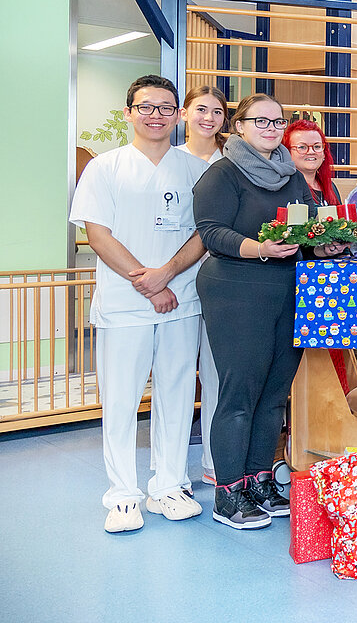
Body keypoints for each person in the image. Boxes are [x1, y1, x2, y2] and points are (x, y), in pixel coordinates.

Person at [194, 92, 347, 530]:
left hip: (289, 289)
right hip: (236, 290)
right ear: (238, 126)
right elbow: (211, 233)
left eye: (277, 121)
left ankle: (259, 480)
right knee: (240, 394)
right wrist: (259, 247)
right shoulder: (222, 174)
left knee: (274, 394)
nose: (270, 127)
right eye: (259, 120)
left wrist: (326, 244)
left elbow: (307, 230)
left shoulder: (290, 175)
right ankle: (228, 493)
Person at [70, 74, 208, 533]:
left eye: (166, 107)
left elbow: (204, 233)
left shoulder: (195, 170)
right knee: (122, 399)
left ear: (178, 116)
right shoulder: (105, 168)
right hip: (124, 305)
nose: (156, 115)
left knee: (175, 395)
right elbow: (98, 235)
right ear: (129, 112)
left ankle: (168, 485)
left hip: (182, 301)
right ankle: (123, 495)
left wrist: (166, 275)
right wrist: (148, 282)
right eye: (146, 107)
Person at [177, 85, 227, 486]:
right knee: (176, 374)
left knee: (216, 374)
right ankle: (171, 472)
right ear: (184, 114)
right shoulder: (171, 161)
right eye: (200, 109)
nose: (208, 118)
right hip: (175, 279)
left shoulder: (231, 163)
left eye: (216, 111)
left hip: (223, 279)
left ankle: (214, 463)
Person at [284, 118, 341, 207]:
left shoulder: (331, 187)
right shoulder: (285, 188)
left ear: (324, 154)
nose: (311, 152)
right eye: (302, 147)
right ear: (287, 152)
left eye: (317, 146)